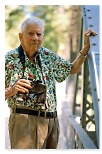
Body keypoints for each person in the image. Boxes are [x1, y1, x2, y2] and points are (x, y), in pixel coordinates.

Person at [5, 16, 96, 149]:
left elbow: (72, 69)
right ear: (20, 36)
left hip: (51, 122)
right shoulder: (9, 59)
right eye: (30, 33)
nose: (35, 38)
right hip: (24, 122)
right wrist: (11, 90)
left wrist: (86, 48)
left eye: (39, 34)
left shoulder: (48, 56)